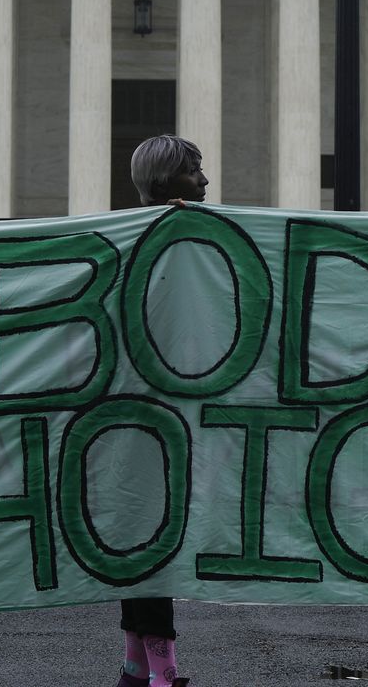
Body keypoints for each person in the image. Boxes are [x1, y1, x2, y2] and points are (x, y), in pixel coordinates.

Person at [108, 134, 207, 687]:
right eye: (195, 170)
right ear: (167, 180)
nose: (205, 181)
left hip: (137, 413)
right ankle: (163, 676)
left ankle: (135, 670)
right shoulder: (168, 235)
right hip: (150, 415)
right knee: (152, 545)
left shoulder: (138, 235)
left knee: (139, 542)